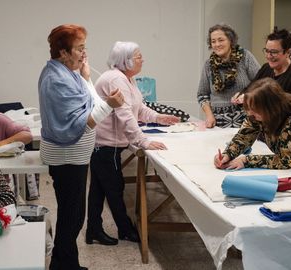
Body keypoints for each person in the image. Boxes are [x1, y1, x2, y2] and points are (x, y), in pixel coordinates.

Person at [38, 24, 123, 270]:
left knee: (73, 215)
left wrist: (86, 78)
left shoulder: (68, 71)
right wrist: (110, 105)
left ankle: (68, 264)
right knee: (71, 217)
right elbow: (83, 121)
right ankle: (60, 267)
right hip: (66, 157)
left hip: (74, 156)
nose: (84, 54)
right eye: (79, 48)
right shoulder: (57, 79)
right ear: (63, 52)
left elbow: (90, 101)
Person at [86, 41, 180, 246]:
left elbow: (139, 108)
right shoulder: (116, 79)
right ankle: (125, 229)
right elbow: (125, 115)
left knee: (99, 190)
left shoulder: (127, 78)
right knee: (114, 187)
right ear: (125, 60)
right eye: (138, 56)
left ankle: (93, 229)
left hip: (107, 144)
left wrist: (159, 118)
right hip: (105, 145)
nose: (142, 59)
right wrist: (142, 141)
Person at [197, 24, 260, 128]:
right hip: (217, 124)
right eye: (213, 41)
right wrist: (209, 116)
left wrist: (246, 95)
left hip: (247, 121)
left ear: (231, 40)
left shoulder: (245, 57)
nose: (217, 44)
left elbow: (261, 84)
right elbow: (202, 95)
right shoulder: (208, 65)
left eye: (221, 40)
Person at [232, 28, 291, 104]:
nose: (269, 56)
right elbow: (251, 88)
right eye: (267, 51)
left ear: (288, 52)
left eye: (274, 52)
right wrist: (241, 95)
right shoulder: (266, 68)